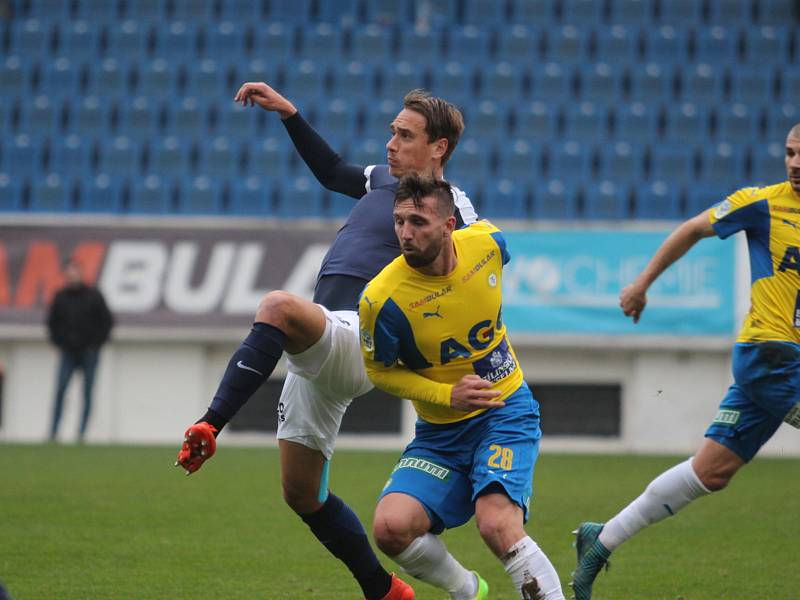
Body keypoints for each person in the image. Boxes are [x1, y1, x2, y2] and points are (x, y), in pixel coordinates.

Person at [175, 84, 477, 600]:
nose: (390, 144)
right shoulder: (383, 181)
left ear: (438, 148)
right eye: (391, 133)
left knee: (277, 307)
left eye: (404, 136)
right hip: (323, 348)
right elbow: (333, 171)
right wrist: (290, 114)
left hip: (357, 335)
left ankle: (210, 423)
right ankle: (385, 590)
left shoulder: (453, 210)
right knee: (302, 494)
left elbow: (467, 274)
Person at [570, 124, 800, 600]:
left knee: (711, 471)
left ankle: (602, 538)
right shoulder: (763, 203)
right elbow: (694, 228)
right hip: (770, 355)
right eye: (790, 153)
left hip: (780, 366)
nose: (795, 164)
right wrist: (641, 285)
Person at [358, 174, 565, 600]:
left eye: (418, 222)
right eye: (399, 222)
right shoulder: (382, 300)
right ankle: (467, 589)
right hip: (440, 434)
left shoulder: (488, 245)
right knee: (390, 528)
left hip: (504, 411)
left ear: (450, 225)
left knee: (495, 523)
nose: (405, 233)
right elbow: (379, 371)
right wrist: (446, 394)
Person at [46, 258, 113, 441]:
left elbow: (107, 322)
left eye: (75, 271)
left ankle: (81, 434)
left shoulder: (94, 295)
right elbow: (52, 323)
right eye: (69, 271)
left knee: (87, 394)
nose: (72, 275)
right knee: (60, 391)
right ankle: (53, 432)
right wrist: (60, 342)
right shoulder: (60, 297)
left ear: (81, 273)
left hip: (89, 353)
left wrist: (95, 344)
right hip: (68, 352)